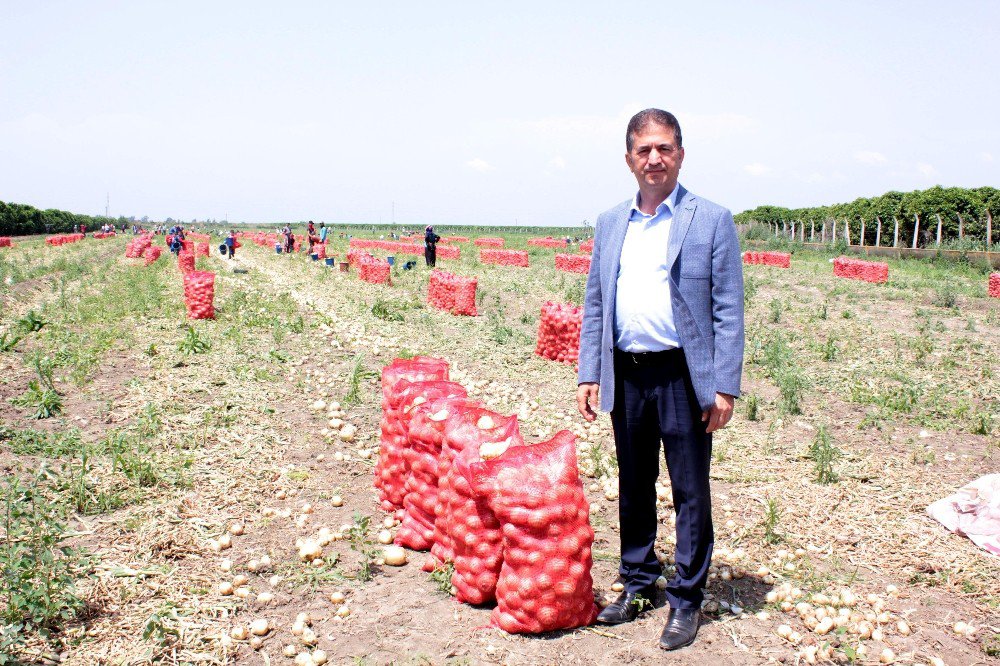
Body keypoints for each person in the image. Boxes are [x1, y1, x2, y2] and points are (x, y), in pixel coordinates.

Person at [577, 109, 744, 651]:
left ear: (680, 154)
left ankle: (687, 598)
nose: (655, 159)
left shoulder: (711, 219)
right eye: (644, 150)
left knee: (690, 490)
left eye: (665, 149)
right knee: (633, 483)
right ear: (629, 158)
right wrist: (589, 371)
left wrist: (724, 385)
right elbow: (597, 303)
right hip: (626, 372)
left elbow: (728, 308)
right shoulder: (609, 223)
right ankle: (638, 581)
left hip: (681, 373)